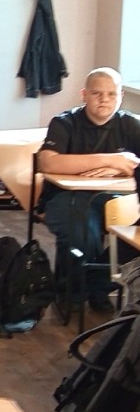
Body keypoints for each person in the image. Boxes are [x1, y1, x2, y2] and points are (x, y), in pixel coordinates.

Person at [37, 67, 140, 312]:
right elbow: (49, 162)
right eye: (96, 93)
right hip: (66, 196)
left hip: (116, 198)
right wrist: (112, 160)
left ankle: (97, 286)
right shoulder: (64, 122)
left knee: (131, 239)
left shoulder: (131, 124)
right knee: (83, 233)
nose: (104, 100)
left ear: (121, 96)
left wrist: (121, 168)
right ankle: (72, 293)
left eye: (111, 94)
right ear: (84, 94)